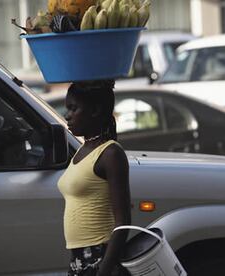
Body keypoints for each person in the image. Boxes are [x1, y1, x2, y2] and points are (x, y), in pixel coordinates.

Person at [57, 80, 131, 276]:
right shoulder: (84, 149)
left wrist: (105, 269)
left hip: (100, 255)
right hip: (80, 257)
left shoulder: (110, 154)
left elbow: (123, 220)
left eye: (74, 109)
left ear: (95, 110)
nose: (67, 116)